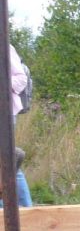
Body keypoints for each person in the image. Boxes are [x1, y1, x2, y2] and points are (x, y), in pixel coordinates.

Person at [6, 44, 32, 207]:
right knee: (8, 162)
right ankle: (21, 211)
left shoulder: (3, 46)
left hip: (3, 113)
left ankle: (24, 212)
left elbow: (20, 79)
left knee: (8, 160)